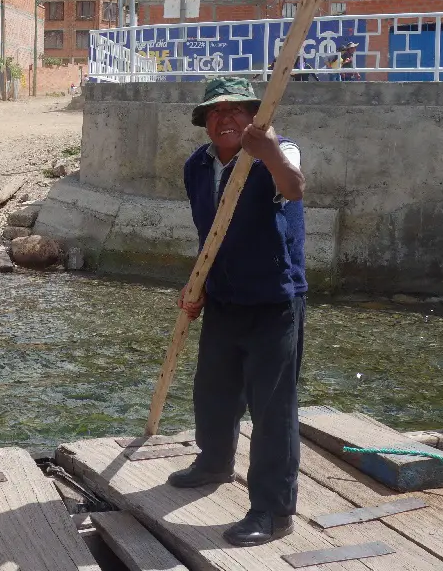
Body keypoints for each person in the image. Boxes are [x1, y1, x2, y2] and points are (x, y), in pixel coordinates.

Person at [168, 76, 307, 547]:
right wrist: (198, 282)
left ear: (253, 116)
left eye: (235, 111)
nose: (225, 120)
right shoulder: (197, 166)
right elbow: (208, 231)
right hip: (224, 295)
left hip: (274, 299)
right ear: (205, 122)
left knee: (272, 408)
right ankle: (213, 462)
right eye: (215, 113)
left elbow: (294, 188)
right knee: (213, 387)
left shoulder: (280, 151)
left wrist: (267, 151)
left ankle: (272, 510)